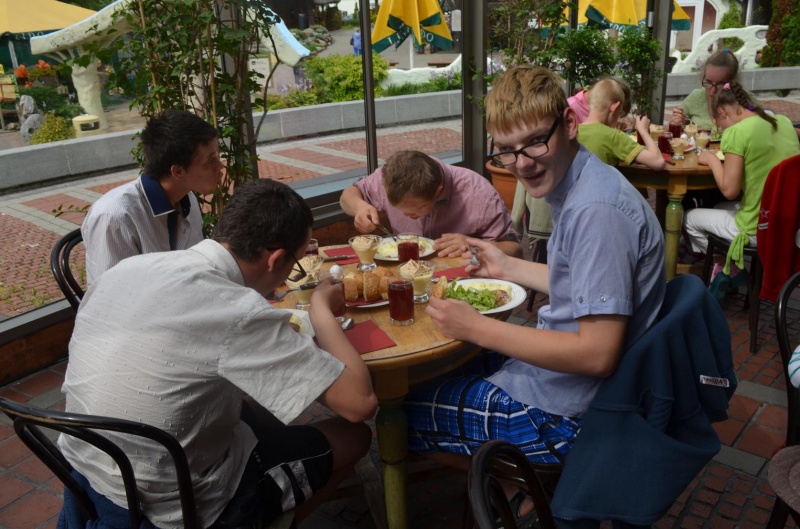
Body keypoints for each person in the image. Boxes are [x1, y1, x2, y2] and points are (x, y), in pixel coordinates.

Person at [404, 66, 665, 524]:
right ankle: (522, 487)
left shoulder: (596, 211)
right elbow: (583, 283)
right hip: (575, 386)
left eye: (534, 142)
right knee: (436, 371)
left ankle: (529, 488)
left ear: (569, 124)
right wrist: (506, 267)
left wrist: (476, 327)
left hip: (573, 416)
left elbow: (597, 354)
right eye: (506, 150)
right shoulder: (585, 182)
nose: (521, 163)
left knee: (399, 411)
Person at [59, 179, 378, 528]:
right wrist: (319, 307)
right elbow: (359, 404)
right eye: (296, 263)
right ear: (275, 259)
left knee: (256, 411)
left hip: (88, 472)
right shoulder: (237, 310)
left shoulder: (128, 268)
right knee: (356, 435)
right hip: (176, 503)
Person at [683, 81, 800, 298]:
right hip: (788, 220)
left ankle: (730, 269)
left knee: (689, 218)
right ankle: (730, 268)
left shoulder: (737, 132)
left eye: (718, 124)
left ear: (722, 112)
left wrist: (712, 160)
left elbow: (730, 190)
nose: (721, 129)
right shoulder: (782, 122)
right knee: (718, 206)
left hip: (758, 225)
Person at [81, 109, 223, 285]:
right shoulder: (115, 218)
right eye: (210, 161)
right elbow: (111, 294)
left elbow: (194, 272)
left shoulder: (187, 198)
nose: (220, 166)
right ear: (178, 171)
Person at [340, 150, 522, 257]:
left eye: (415, 211)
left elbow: (515, 250)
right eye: (399, 209)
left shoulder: (479, 193)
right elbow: (347, 195)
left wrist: (474, 246)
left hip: (463, 283)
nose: (406, 216)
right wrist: (359, 206)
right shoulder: (388, 177)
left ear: (437, 192)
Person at [577, 77, 665, 171]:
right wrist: (643, 130)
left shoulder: (574, 132)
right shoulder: (613, 137)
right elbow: (658, 162)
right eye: (619, 112)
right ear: (615, 107)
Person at [670, 50, 754, 131]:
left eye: (720, 84)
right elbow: (671, 132)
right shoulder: (696, 97)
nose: (712, 91)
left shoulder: (746, 101)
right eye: (709, 82)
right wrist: (679, 122)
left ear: (733, 82)